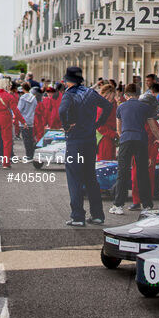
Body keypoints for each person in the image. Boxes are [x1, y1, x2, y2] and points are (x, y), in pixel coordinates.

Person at [58, 66, 112, 226]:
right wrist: (98, 123)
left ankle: (77, 216)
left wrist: (66, 125)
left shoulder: (69, 94)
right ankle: (97, 215)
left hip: (75, 140)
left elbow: (62, 111)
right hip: (90, 140)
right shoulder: (90, 92)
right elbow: (108, 106)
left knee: (75, 178)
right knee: (91, 178)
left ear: (68, 81)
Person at [109, 83, 157, 215]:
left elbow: (119, 128)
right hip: (141, 140)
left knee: (122, 172)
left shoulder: (121, 107)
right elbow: (153, 127)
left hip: (126, 140)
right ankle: (147, 205)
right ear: (138, 94)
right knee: (143, 173)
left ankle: (118, 205)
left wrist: (123, 137)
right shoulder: (145, 107)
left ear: (125, 95)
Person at [0, 77, 25, 168]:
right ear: (6, 86)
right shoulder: (9, 96)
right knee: (7, 141)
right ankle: (6, 163)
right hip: (5, 118)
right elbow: (15, 110)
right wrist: (23, 121)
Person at [95, 83, 118, 161]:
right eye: (108, 98)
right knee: (104, 161)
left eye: (112, 98)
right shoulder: (100, 108)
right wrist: (114, 134)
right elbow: (99, 126)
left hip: (111, 135)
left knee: (112, 159)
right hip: (103, 137)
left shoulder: (114, 103)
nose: (110, 100)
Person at [17, 82, 38, 160]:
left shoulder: (22, 98)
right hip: (31, 119)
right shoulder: (33, 97)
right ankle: (32, 154)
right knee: (30, 138)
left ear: (23, 89)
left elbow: (19, 109)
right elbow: (35, 107)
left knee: (26, 139)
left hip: (23, 120)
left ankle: (28, 155)